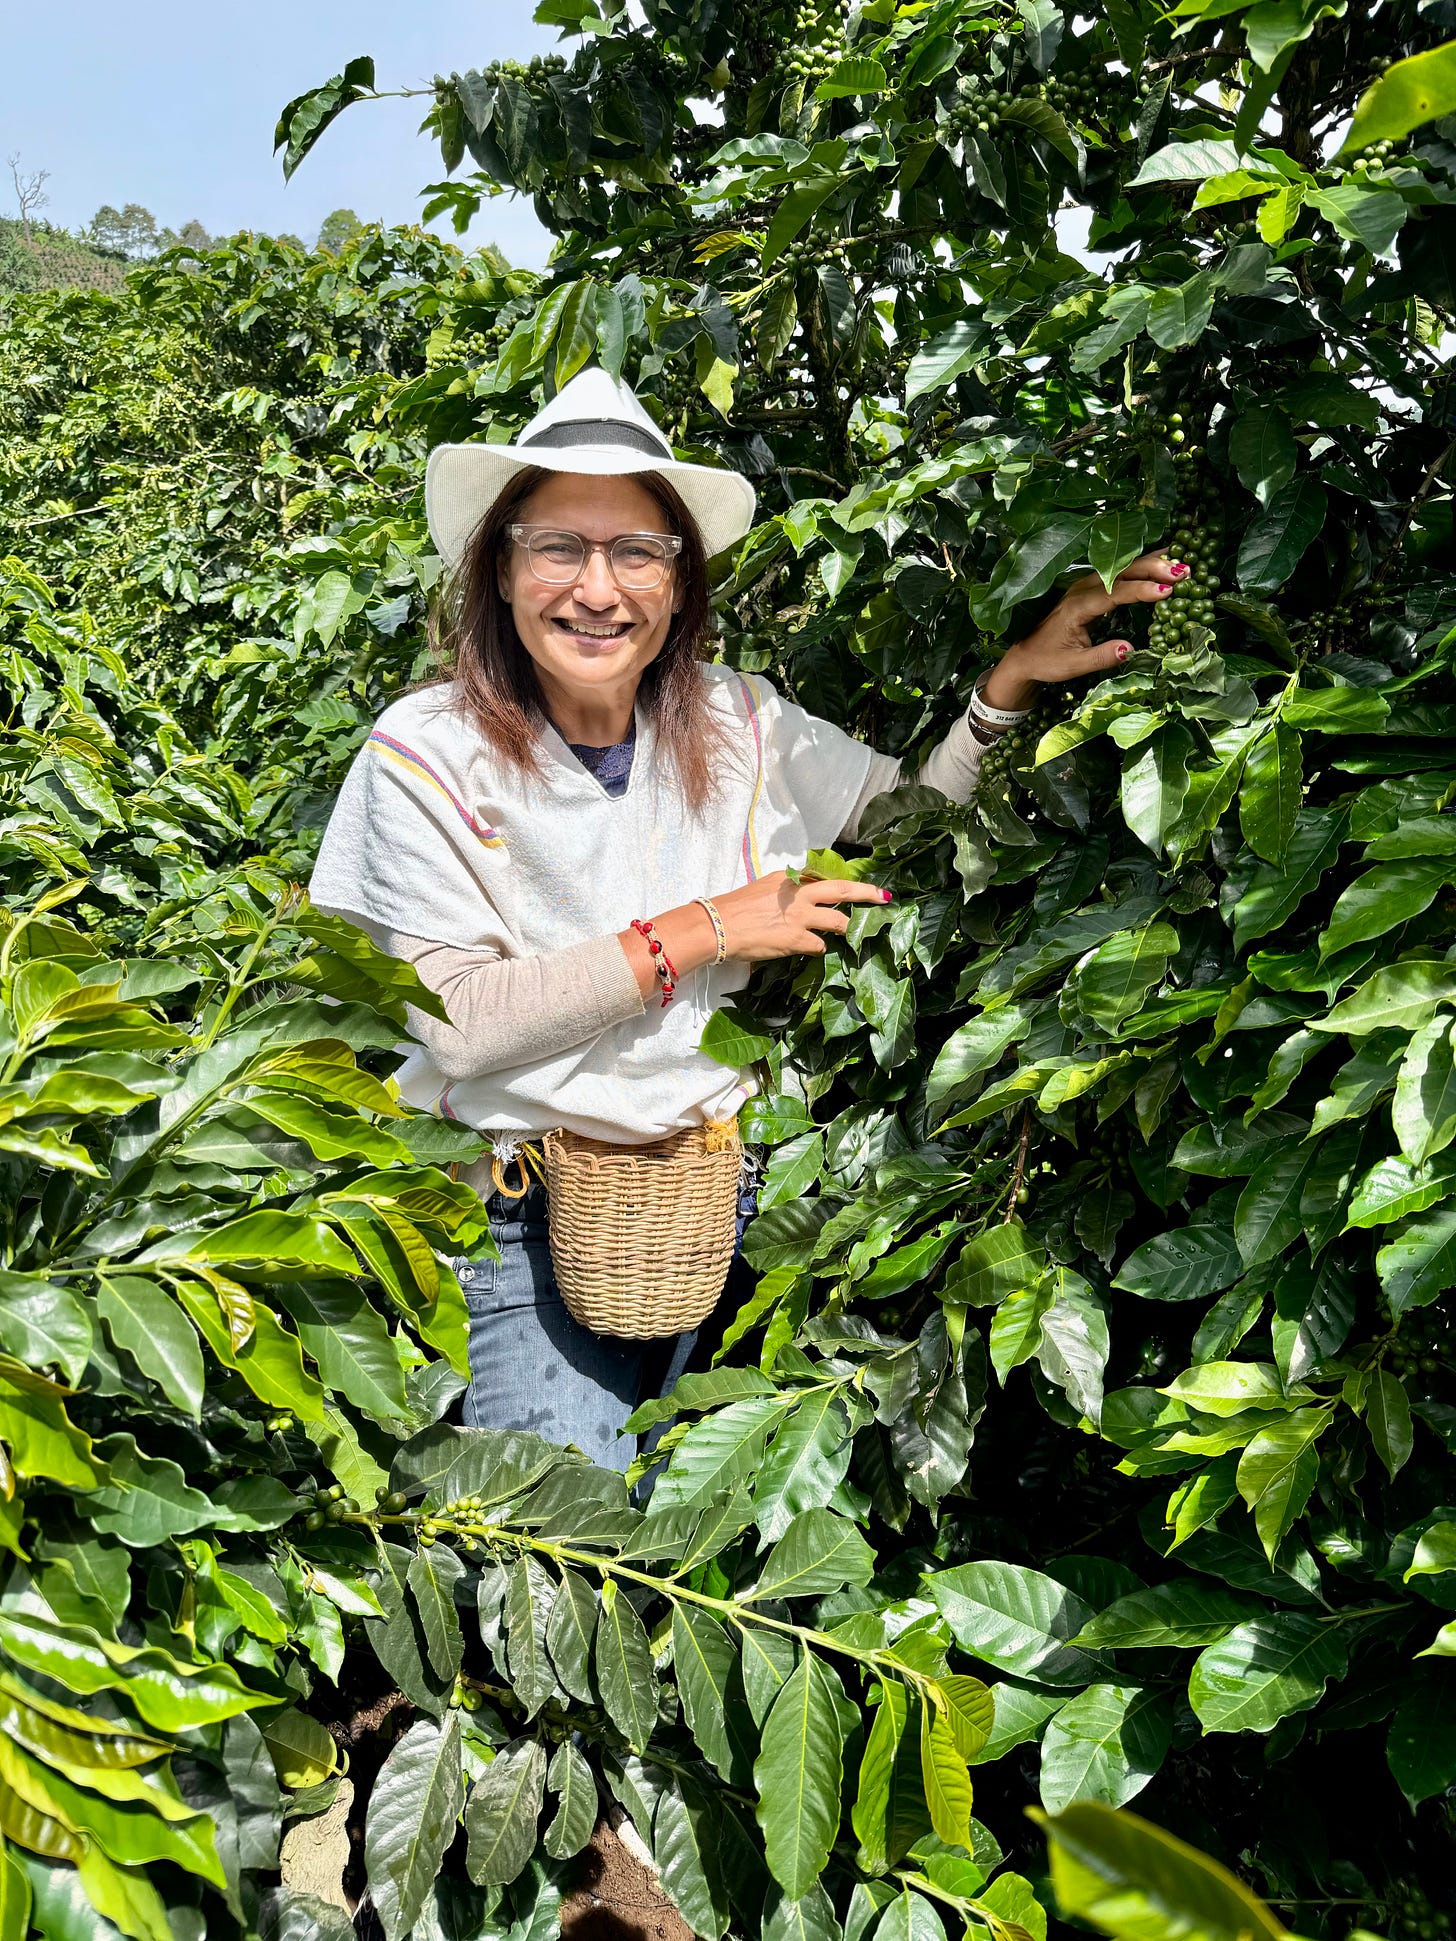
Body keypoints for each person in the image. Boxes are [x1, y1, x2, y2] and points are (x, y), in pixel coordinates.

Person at [309, 366, 1188, 1471]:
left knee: (701, 1535)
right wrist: (706, 929)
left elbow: (904, 820)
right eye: (556, 547)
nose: (597, 588)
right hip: (515, 1218)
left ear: (680, 582)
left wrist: (1005, 686)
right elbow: (457, 1025)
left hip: (722, 1199)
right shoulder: (427, 751)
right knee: (560, 1564)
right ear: (498, 567)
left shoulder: (740, 721)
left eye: (638, 552)